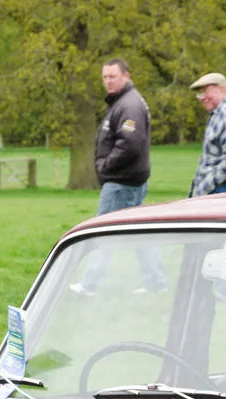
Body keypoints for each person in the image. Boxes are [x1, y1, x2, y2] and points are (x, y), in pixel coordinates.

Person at [71, 58, 166, 295]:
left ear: (126, 76)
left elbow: (130, 145)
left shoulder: (129, 105)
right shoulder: (121, 103)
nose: (108, 81)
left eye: (112, 76)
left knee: (103, 232)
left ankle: (89, 284)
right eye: (105, 77)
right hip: (129, 180)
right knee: (139, 233)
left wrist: (105, 166)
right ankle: (156, 282)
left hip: (122, 181)